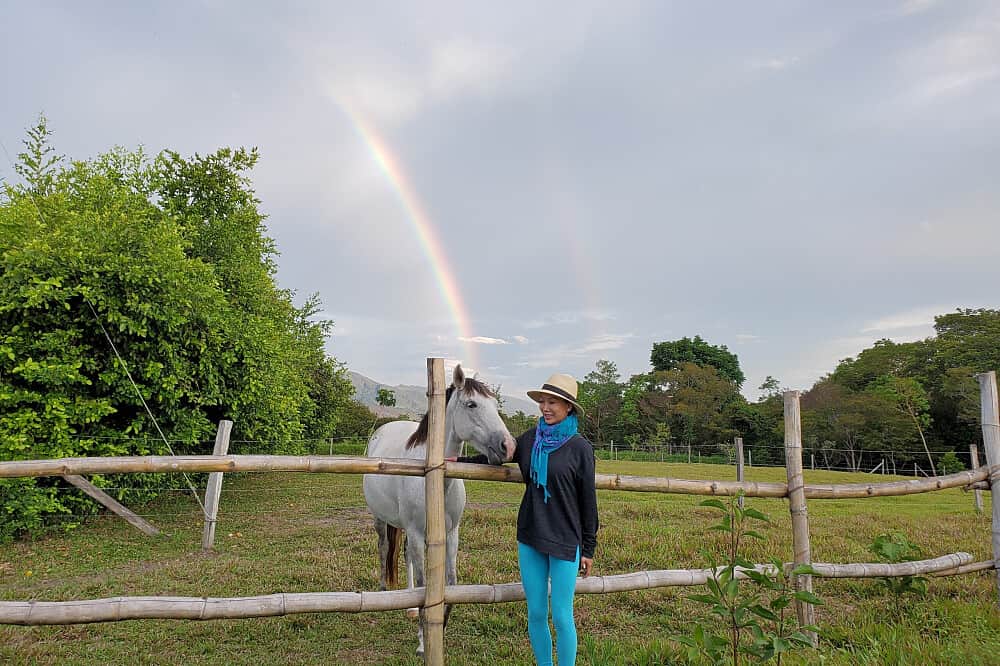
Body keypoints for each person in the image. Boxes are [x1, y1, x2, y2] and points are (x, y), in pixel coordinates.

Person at [455, 373, 599, 666]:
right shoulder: (531, 439)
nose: (545, 408)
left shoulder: (580, 448)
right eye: (542, 402)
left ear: (568, 407)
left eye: (553, 403)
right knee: (535, 613)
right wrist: (457, 462)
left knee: (562, 615)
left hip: (565, 540)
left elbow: (588, 502)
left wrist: (588, 548)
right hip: (531, 535)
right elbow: (497, 456)